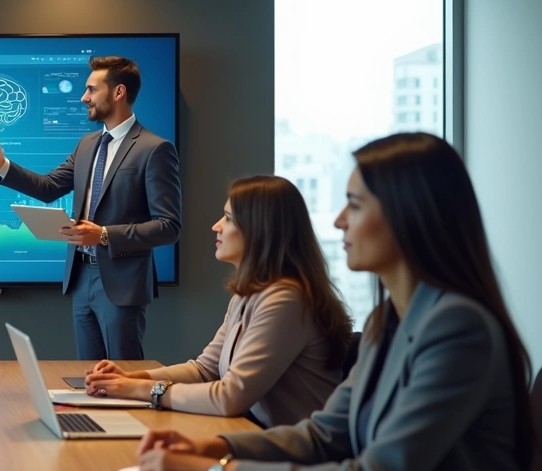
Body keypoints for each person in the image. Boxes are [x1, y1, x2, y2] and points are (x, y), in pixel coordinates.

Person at [134, 133, 534, 471]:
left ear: (410, 217)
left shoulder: (458, 329)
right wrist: (217, 446)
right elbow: (324, 435)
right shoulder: (387, 322)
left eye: (355, 205)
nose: (340, 219)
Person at [85, 176, 351, 428]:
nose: (216, 226)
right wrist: (129, 379)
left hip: (295, 458)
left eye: (228, 218)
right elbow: (205, 370)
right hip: (257, 437)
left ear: (260, 231)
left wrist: (142, 390)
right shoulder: (249, 294)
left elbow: (229, 397)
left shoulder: (285, 300)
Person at [0, 56, 181, 360]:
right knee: (88, 376)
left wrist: (103, 234)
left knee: (123, 377)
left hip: (121, 284)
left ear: (118, 92)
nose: (84, 97)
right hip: (80, 279)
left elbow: (169, 226)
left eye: (91, 89)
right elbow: (48, 187)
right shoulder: (87, 144)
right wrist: (2, 166)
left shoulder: (154, 149)